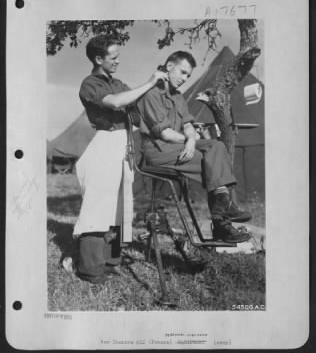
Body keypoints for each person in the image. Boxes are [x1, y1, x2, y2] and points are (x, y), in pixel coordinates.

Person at [68, 35, 169, 284]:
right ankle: (89, 268)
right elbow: (116, 103)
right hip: (105, 144)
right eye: (114, 57)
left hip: (125, 144)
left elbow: (136, 107)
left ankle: (110, 262)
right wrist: (148, 82)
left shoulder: (120, 83)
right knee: (98, 206)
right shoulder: (89, 84)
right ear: (99, 58)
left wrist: (159, 89)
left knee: (119, 206)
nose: (118, 61)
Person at [137, 51, 252, 244]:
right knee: (214, 164)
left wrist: (191, 141)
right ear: (169, 67)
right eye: (182, 72)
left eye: (188, 76)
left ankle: (222, 210)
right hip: (159, 150)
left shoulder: (178, 96)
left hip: (179, 145)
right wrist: (187, 141)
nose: (184, 79)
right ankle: (223, 222)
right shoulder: (151, 94)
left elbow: (189, 124)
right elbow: (165, 134)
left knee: (216, 147)